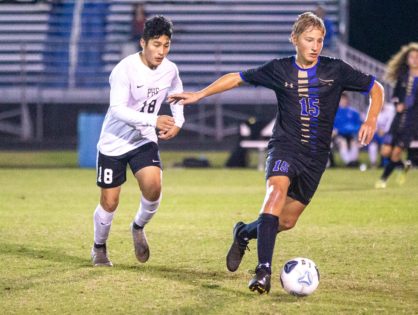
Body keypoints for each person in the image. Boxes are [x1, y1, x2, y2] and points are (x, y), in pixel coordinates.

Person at [168, 12, 384, 294]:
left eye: (319, 40)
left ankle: (243, 232)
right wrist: (198, 95)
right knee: (275, 194)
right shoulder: (280, 70)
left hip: (316, 157)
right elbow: (237, 77)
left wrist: (371, 119)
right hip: (285, 146)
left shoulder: (336, 69)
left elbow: (375, 87)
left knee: (286, 221)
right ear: (294, 39)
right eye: (309, 39)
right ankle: (263, 271)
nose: (315, 46)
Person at [91, 15, 185, 267]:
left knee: (154, 187)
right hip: (114, 142)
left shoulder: (170, 69)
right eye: (156, 44)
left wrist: (178, 122)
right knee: (110, 202)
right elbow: (118, 109)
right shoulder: (125, 69)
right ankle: (99, 247)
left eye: (166, 45)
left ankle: (138, 227)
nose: (161, 51)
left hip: (142, 140)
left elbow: (178, 94)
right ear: (143, 43)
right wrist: (153, 120)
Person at [375, 42, 418, 188]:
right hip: (398, 119)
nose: (414, 59)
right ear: (407, 59)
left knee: (396, 153)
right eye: (412, 57)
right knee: (385, 151)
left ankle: (383, 179)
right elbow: (394, 96)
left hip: (412, 122)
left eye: (417, 57)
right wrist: (397, 103)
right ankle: (405, 165)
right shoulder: (403, 77)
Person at [333, 93, 362, 167]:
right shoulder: (334, 112)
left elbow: (359, 124)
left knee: (354, 142)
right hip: (339, 135)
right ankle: (348, 162)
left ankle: (353, 161)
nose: (343, 101)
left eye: (345, 99)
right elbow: (332, 126)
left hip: (352, 134)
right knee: (343, 143)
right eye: (341, 99)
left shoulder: (354, 112)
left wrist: (353, 130)